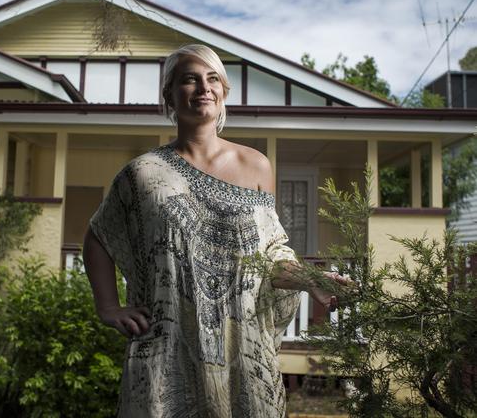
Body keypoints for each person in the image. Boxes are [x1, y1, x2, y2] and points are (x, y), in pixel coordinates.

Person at [83, 44, 350, 417]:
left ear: (224, 92)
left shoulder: (255, 165)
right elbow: (99, 236)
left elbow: (268, 256)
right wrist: (108, 307)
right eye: (189, 79)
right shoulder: (142, 174)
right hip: (166, 350)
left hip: (241, 352)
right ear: (169, 94)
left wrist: (310, 279)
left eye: (212, 79)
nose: (203, 88)